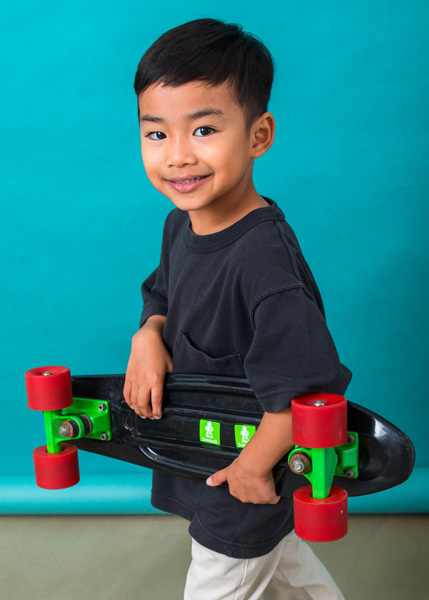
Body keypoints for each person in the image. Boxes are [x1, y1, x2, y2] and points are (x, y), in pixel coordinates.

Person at [123, 18, 352, 600]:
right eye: (157, 134)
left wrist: (252, 468)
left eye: (204, 129)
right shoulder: (180, 225)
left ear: (258, 135)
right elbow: (162, 296)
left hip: (246, 476)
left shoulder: (263, 262)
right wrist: (148, 335)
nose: (178, 156)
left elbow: (309, 388)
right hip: (208, 461)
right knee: (293, 579)